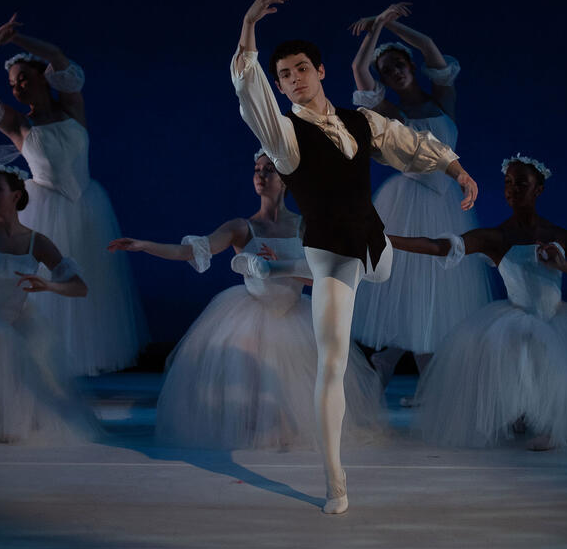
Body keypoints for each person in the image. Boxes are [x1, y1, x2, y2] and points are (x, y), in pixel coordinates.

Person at [230, 0, 479, 514]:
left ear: (321, 71)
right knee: (333, 362)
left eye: (301, 69)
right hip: (333, 254)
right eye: (284, 75)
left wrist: (456, 170)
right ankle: (335, 479)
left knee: (383, 266)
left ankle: (302, 265)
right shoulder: (285, 136)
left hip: (373, 241)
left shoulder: (363, 120)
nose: (293, 80)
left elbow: (410, 145)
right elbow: (250, 93)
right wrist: (250, 29)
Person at [109, 151, 383, 450]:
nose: (260, 176)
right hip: (250, 313)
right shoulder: (242, 228)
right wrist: (146, 245)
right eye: (257, 169)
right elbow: (191, 251)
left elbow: (324, 276)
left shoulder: (305, 226)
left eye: (269, 170)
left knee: (296, 384)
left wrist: (285, 266)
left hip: (295, 313)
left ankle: (290, 430)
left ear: (286, 179)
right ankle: (252, 429)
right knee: (253, 381)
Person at [389, 155, 567, 452]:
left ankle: (548, 421)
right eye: (508, 183)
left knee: (548, 356)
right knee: (518, 349)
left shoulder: (560, 237)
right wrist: (386, 239)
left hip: (555, 319)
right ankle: (518, 413)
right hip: (515, 318)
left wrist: (565, 267)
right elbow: (438, 246)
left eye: (521, 183)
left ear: (538, 189)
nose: (512, 189)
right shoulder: (497, 237)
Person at [0, 15, 148, 376]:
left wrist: (15, 39)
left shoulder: (72, 107)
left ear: (41, 77)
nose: (17, 88)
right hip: (45, 207)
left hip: (87, 205)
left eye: (23, 79)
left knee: (91, 284)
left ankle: (86, 361)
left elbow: (59, 57)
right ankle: (46, 365)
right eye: (12, 84)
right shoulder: (19, 124)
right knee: (46, 288)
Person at [348, 3, 493, 382]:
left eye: (399, 65)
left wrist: (393, 25)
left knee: (437, 289)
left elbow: (428, 45)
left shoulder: (443, 97)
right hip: (407, 201)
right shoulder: (391, 114)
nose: (394, 73)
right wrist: (377, 27)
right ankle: (410, 370)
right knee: (409, 287)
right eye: (387, 72)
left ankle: (390, 364)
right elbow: (358, 71)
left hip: (445, 202)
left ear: (411, 67)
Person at [0, 164, 92, 443]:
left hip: (19, 322)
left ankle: (10, 416)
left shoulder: (37, 243)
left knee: (16, 350)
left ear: (16, 195)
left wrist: (49, 284)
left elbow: (79, 287)